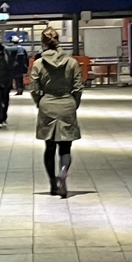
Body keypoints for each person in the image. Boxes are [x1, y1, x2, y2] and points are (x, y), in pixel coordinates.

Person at [30, 27, 83, 199]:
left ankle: (53, 183)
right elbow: (78, 87)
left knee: (49, 147)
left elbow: (34, 88)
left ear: (42, 43)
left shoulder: (38, 64)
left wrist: (40, 102)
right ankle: (63, 172)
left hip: (48, 105)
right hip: (67, 103)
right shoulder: (71, 62)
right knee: (65, 147)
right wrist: (74, 103)